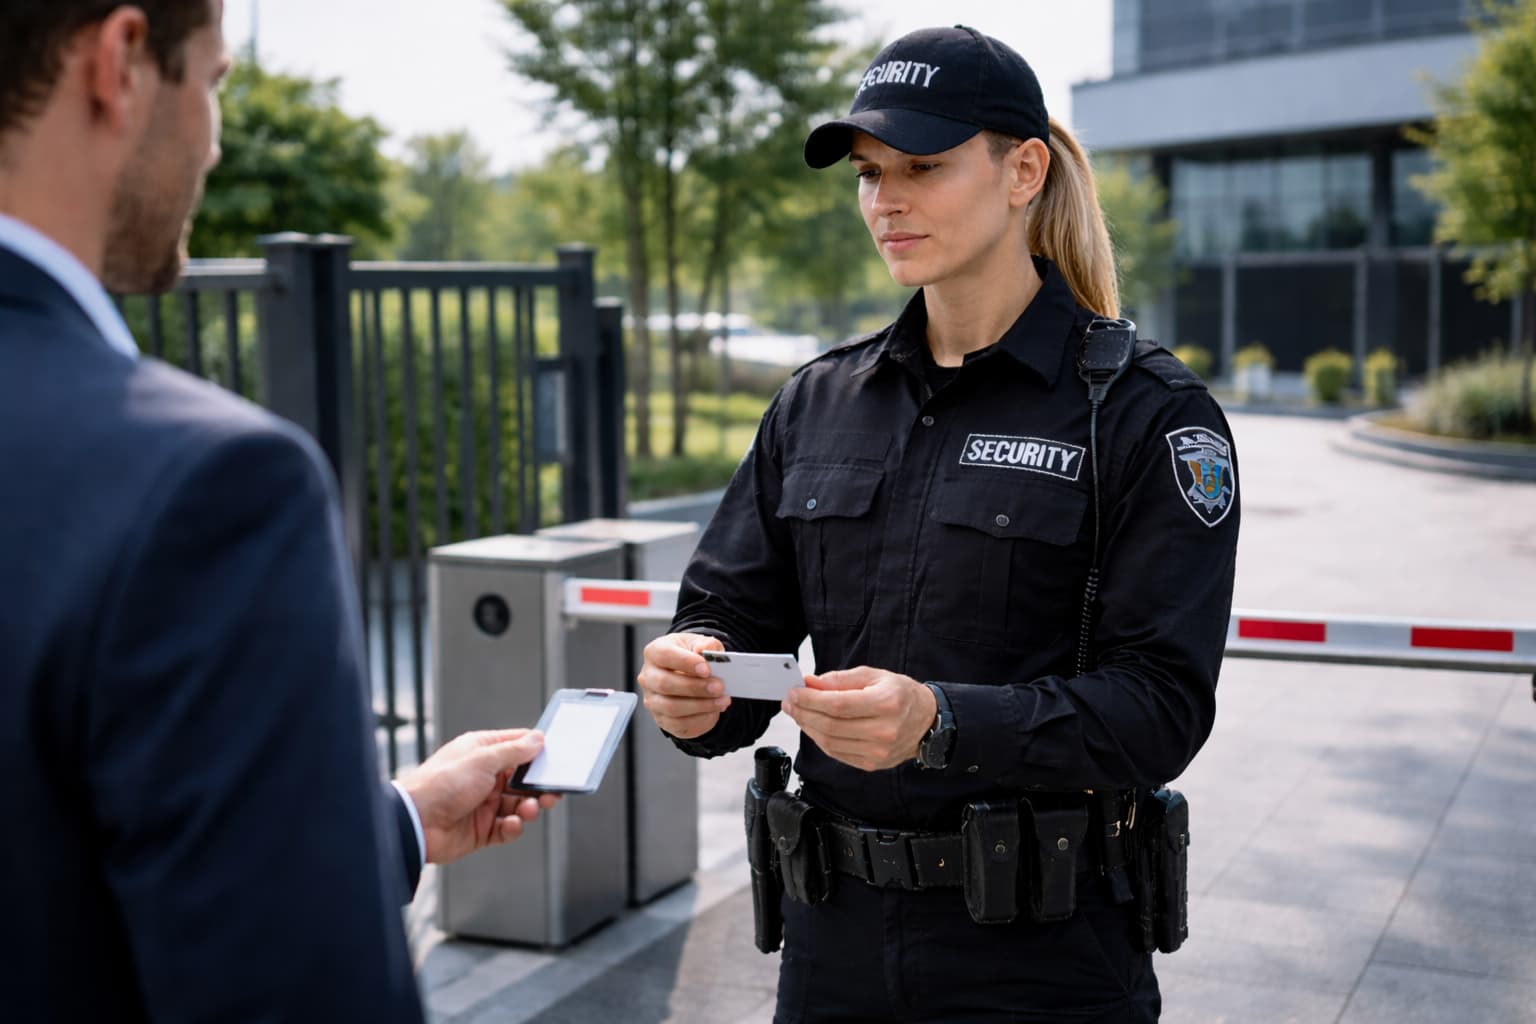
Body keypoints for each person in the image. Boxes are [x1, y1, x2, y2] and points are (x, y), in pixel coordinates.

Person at [639, 25, 1240, 1023]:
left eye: (923, 165)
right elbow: (730, 620)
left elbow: (1163, 705)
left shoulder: (1144, 412)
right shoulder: (817, 402)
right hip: (831, 945)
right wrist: (696, 683)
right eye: (871, 173)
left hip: (1044, 958)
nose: (887, 199)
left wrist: (942, 722)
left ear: (1023, 171)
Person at [0, 2, 556, 1020]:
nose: (212, 140)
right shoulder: (205, 488)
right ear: (119, 61)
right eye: (212, 82)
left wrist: (388, 818)